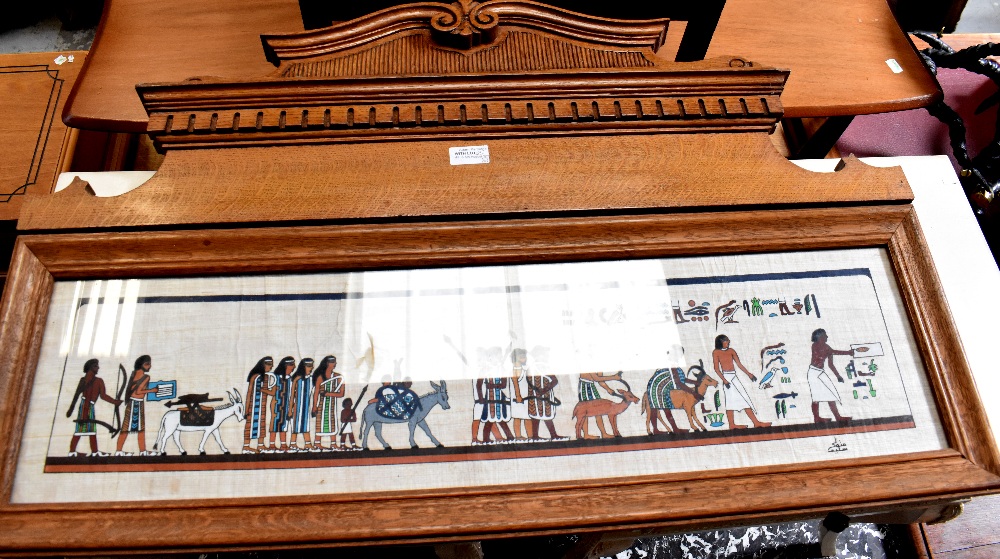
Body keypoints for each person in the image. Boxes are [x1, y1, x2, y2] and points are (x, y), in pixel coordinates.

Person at [711, 335, 770, 429]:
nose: (728, 342)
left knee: (744, 398)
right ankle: (732, 424)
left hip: (734, 377)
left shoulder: (731, 351)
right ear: (721, 342)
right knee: (730, 401)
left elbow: (739, 364)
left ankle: (756, 422)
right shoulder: (716, 352)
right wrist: (725, 381)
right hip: (727, 378)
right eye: (726, 341)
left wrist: (749, 374)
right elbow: (716, 369)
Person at [66, 359, 121, 456]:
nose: (98, 368)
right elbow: (76, 395)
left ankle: (93, 451)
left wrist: (115, 402)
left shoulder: (98, 381)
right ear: (90, 367)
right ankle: (74, 451)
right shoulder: (86, 380)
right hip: (84, 406)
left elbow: (103, 396)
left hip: (88, 406)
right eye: (96, 366)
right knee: (81, 428)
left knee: (90, 429)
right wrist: (70, 410)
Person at [807, 329, 853, 423]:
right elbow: (833, 352)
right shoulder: (816, 345)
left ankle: (837, 417)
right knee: (816, 396)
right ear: (820, 337)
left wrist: (838, 376)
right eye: (825, 335)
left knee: (831, 394)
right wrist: (848, 353)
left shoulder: (827, 348)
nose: (827, 337)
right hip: (814, 373)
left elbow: (830, 364)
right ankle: (817, 418)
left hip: (820, 372)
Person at [115, 355, 158, 456]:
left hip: (133, 403)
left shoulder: (134, 374)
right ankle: (139, 451)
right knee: (135, 429)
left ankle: (122, 450)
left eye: (149, 364)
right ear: (141, 365)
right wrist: (152, 390)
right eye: (147, 364)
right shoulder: (146, 377)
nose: (149, 366)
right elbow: (139, 391)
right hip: (136, 403)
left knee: (130, 428)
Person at [242, 356, 274, 454]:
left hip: (262, 406)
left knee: (262, 425)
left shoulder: (267, 377)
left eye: (271, 365)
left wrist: (263, 390)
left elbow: (271, 392)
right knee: (250, 425)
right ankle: (246, 447)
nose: (271, 367)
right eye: (269, 365)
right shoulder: (255, 377)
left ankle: (261, 445)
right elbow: (249, 393)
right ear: (263, 365)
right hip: (253, 406)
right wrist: (246, 409)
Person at [311, 355, 343, 450]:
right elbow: (316, 392)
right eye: (333, 362)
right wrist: (314, 406)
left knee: (332, 422)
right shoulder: (320, 377)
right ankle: (317, 443)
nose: (335, 364)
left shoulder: (337, 377)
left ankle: (333, 444)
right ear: (327, 363)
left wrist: (328, 393)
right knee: (320, 423)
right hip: (322, 405)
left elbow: (341, 394)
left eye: (335, 362)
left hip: (332, 405)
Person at [264, 356, 295, 452]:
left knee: (284, 425)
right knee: (274, 425)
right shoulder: (276, 377)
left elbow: (291, 394)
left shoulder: (290, 379)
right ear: (286, 366)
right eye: (292, 365)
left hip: (286, 405)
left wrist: (290, 408)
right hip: (277, 404)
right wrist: (262, 390)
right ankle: (272, 445)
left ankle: (283, 444)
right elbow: (273, 392)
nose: (294, 367)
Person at [289, 357, 316, 452]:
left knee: (306, 425)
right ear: (303, 367)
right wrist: (290, 410)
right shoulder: (297, 379)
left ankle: (308, 444)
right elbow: (292, 395)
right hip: (297, 407)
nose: (311, 368)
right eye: (309, 366)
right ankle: (293, 444)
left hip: (306, 407)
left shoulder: (311, 379)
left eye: (312, 366)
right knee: (295, 426)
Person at [510, 348, 532, 440]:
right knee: (517, 417)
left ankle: (530, 436)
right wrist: (518, 396)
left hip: (526, 397)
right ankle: (518, 436)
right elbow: (515, 383)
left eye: (525, 356)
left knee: (527, 417)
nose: (524, 358)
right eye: (522, 356)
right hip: (518, 398)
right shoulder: (515, 370)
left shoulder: (524, 368)